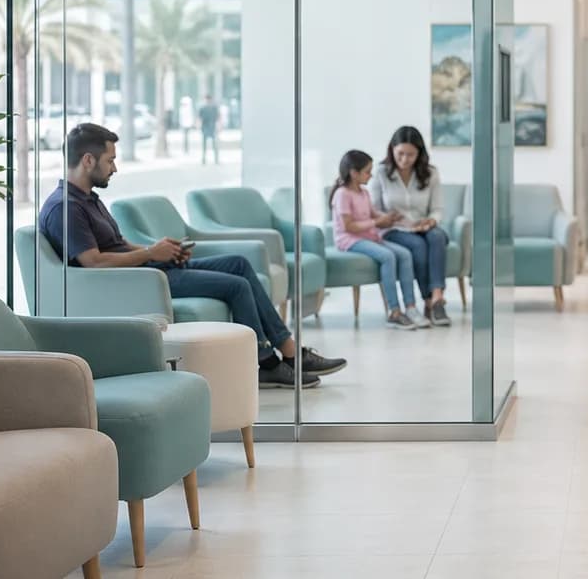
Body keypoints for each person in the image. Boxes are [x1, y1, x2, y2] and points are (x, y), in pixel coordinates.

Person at [39, 123, 347, 388]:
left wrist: (162, 250)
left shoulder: (88, 200)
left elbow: (116, 245)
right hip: (140, 281)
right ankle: (269, 364)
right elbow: (93, 262)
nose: (115, 168)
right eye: (110, 160)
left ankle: (290, 350)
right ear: (88, 159)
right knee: (235, 286)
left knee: (239, 263)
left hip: (148, 268)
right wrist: (149, 253)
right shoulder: (65, 208)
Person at [331, 149, 425, 330]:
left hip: (368, 237)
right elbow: (348, 226)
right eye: (367, 171)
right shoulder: (342, 194)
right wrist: (377, 221)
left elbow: (375, 214)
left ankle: (411, 307)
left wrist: (391, 218)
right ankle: (394, 311)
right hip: (349, 239)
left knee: (405, 254)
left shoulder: (364, 192)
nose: (371, 175)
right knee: (388, 256)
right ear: (354, 173)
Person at [370, 126, 452, 326]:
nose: (405, 159)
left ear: (419, 154)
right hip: (393, 229)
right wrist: (395, 219)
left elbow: (438, 208)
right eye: (400, 154)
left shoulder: (431, 173)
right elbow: (374, 210)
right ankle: (429, 303)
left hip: (424, 227)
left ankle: (437, 297)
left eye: (411, 155)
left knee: (438, 236)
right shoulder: (381, 173)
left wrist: (431, 221)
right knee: (418, 246)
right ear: (392, 150)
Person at [198, 94, 221, 165]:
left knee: (212, 145)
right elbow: (200, 119)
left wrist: (219, 127)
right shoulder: (205, 108)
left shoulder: (212, 108)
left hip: (210, 128)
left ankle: (214, 159)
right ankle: (206, 159)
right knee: (206, 145)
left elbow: (218, 118)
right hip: (207, 128)